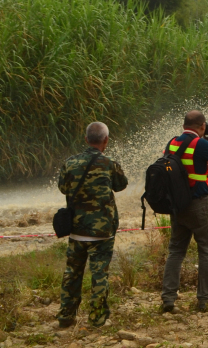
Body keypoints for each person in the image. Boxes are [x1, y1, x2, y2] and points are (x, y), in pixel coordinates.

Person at [56, 122, 128, 328]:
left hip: (76, 229)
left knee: (72, 273)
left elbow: (63, 188)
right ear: (106, 140)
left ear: (86, 139)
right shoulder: (109, 163)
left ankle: (66, 316)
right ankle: (97, 318)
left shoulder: (70, 163)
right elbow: (121, 185)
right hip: (102, 231)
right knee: (99, 275)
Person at [161, 110, 208, 313]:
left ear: (184, 125)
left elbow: (171, 167)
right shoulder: (200, 144)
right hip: (198, 205)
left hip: (177, 206)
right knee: (206, 250)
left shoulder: (172, 143)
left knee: (176, 251)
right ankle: (205, 299)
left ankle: (168, 299)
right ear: (202, 126)